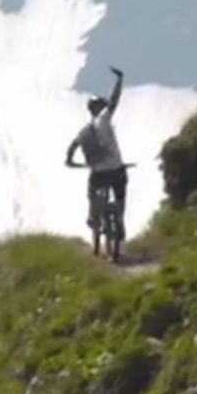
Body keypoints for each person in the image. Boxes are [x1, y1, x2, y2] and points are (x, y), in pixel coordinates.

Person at [64, 66, 127, 258]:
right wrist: (119, 80)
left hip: (98, 172)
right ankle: (120, 220)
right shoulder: (105, 118)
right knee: (120, 195)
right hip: (116, 168)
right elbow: (115, 100)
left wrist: (70, 161)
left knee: (92, 191)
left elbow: (72, 147)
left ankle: (93, 217)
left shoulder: (85, 131)